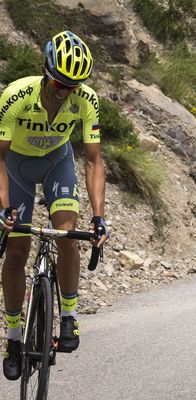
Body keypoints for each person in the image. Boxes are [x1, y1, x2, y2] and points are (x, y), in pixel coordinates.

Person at [1, 31, 109, 381]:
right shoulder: (16, 95)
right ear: (45, 71)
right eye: (60, 83)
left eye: (73, 86)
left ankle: (69, 316)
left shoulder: (87, 101)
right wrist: (4, 208)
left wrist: (99, 218)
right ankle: (14, 337)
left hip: (56, 163)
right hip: (15, 166)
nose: (65, 91)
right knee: (17, 250)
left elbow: (93, 162)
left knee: (68, 235)